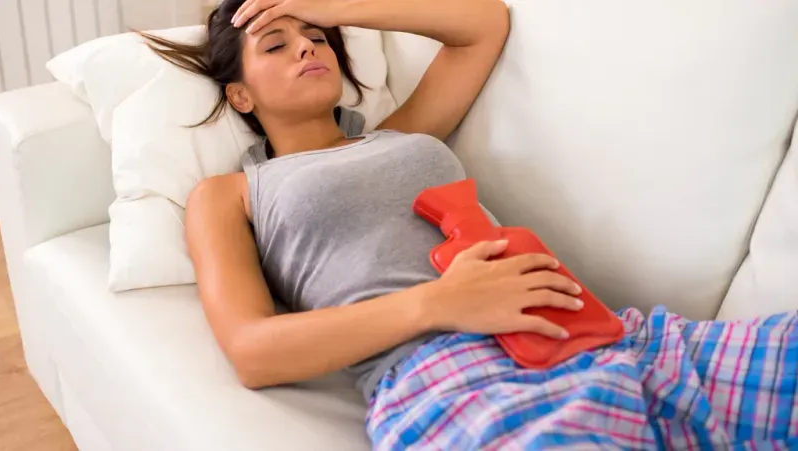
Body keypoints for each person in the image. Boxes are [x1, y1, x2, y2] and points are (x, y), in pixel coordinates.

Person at [144, 0, 798, 448]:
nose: (307, 47)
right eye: (276, 44)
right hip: (449, 376)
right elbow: (253, 350)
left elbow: (485, 23)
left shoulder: (400, 134)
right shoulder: (230, 193)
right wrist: (439, 303)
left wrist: (334, 7)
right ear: (240, 95)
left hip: (592, 329)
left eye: (316, 37)